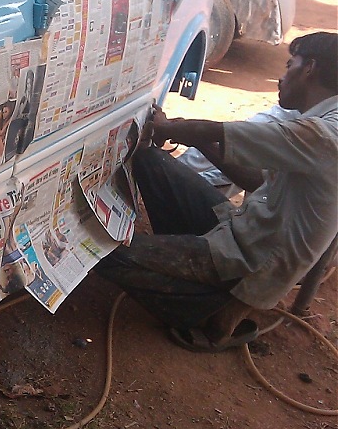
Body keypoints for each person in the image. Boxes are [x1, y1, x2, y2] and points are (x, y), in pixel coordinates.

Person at [96, 32, 338, 351]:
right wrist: (194, 141)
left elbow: (221, 131)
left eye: (289, 64)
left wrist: (170, 127)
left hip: (249, 260)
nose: (282, 76)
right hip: (243, 228)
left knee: (102, 255)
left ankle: (212, 313)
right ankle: (196, 276)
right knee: (152, 161)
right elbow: (255, 182)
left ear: (310, 69)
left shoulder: (324, 134)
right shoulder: (319, 125)